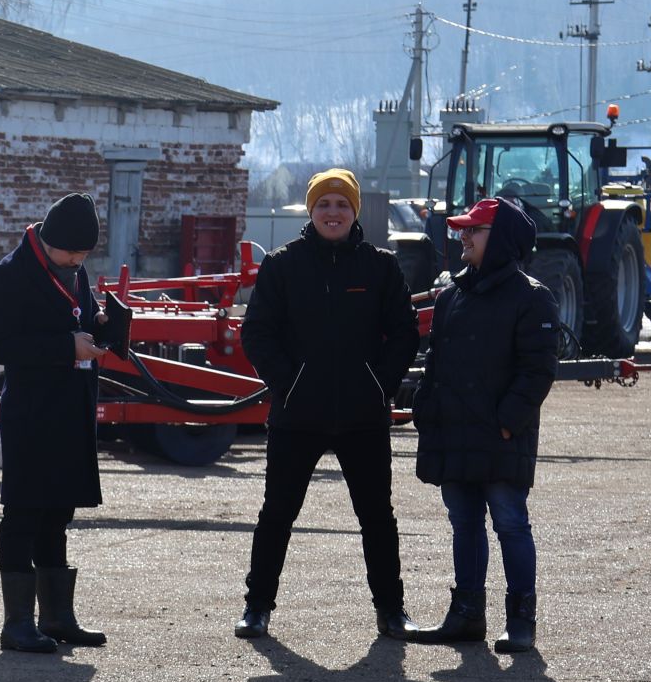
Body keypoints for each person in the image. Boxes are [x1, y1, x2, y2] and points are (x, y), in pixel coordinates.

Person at [234, 168, 422, 640]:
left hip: (363, 416)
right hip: (299, 414)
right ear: (310, 211)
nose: (332, 213)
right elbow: (256, 332)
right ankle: (257, 607)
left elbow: (405, 332)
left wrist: (380, 384)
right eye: (324, 204)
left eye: (341, 204)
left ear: (354, 211)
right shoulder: (283, 265)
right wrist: (287, 383)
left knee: (377, 516)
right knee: (277, 512)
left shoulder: (380, 267)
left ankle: (391, 610)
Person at [408, 196, 558, 652]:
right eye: (463, 230)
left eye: (474, 230)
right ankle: (466, 616)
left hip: (499, 436)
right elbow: (434, 362)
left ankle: (521, 622)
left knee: (510, 523)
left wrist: (508, 424)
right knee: (464, 523)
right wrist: (425, 411)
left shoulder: (532, 297)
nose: (463, 237)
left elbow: (537, 370)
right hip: (452, 433)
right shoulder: (451, 294)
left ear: (502, 239)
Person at [0, 192, 110, 654]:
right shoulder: (7, 277)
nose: (76, 260)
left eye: (83, 254)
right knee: (23, 514)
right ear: (47, 240)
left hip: (70, 409)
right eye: (70, 252)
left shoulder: (73, 272)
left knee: (58, 513)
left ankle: (58, 617)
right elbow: (2, 348)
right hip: (31, 413)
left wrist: (103, 324)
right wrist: (65, 347)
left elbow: (82, 316)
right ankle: (17, 623)